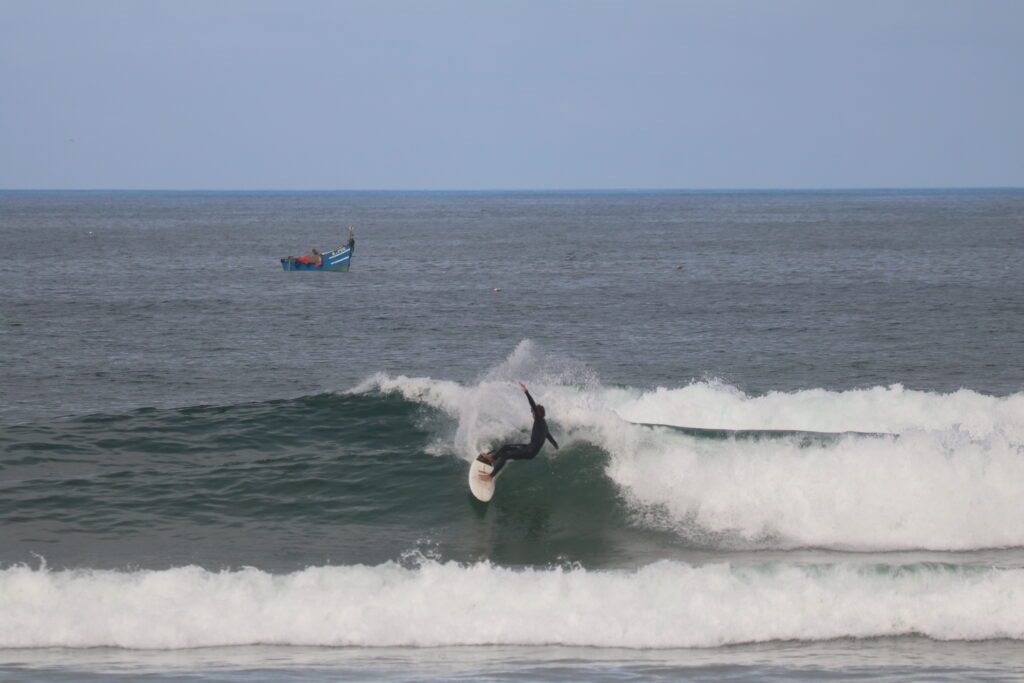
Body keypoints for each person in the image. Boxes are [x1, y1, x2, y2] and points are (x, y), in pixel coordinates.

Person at [478, 382, 558, 481]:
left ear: (536, 413)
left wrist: (526, 392)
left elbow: (532, 404)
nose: (532, 414)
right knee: (505, 447)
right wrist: (557, 447)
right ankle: (492, 458)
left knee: (506, 455)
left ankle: (490, 477)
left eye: (532, 412)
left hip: (530, 451)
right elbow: (551, 439)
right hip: (529, 448)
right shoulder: (544, 425)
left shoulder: (539, 420)